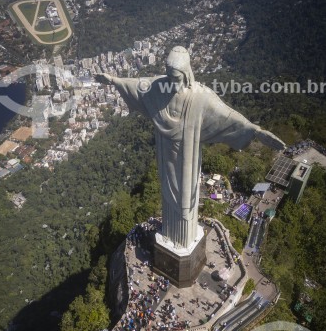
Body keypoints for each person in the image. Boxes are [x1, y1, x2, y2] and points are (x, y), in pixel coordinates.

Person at [96, 46, 285, 249]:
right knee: (167, 196)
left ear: (186, 74)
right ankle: (169, 235)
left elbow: (228, 116)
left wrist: (255, 131)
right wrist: (114, 81)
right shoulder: (160, 88)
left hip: (188, 158)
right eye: (169, 77)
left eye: (176, 79)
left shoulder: (201, 97)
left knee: (185, 198)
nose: (172, 83)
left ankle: (184, 240)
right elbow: (139, 86)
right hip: (165, 154)